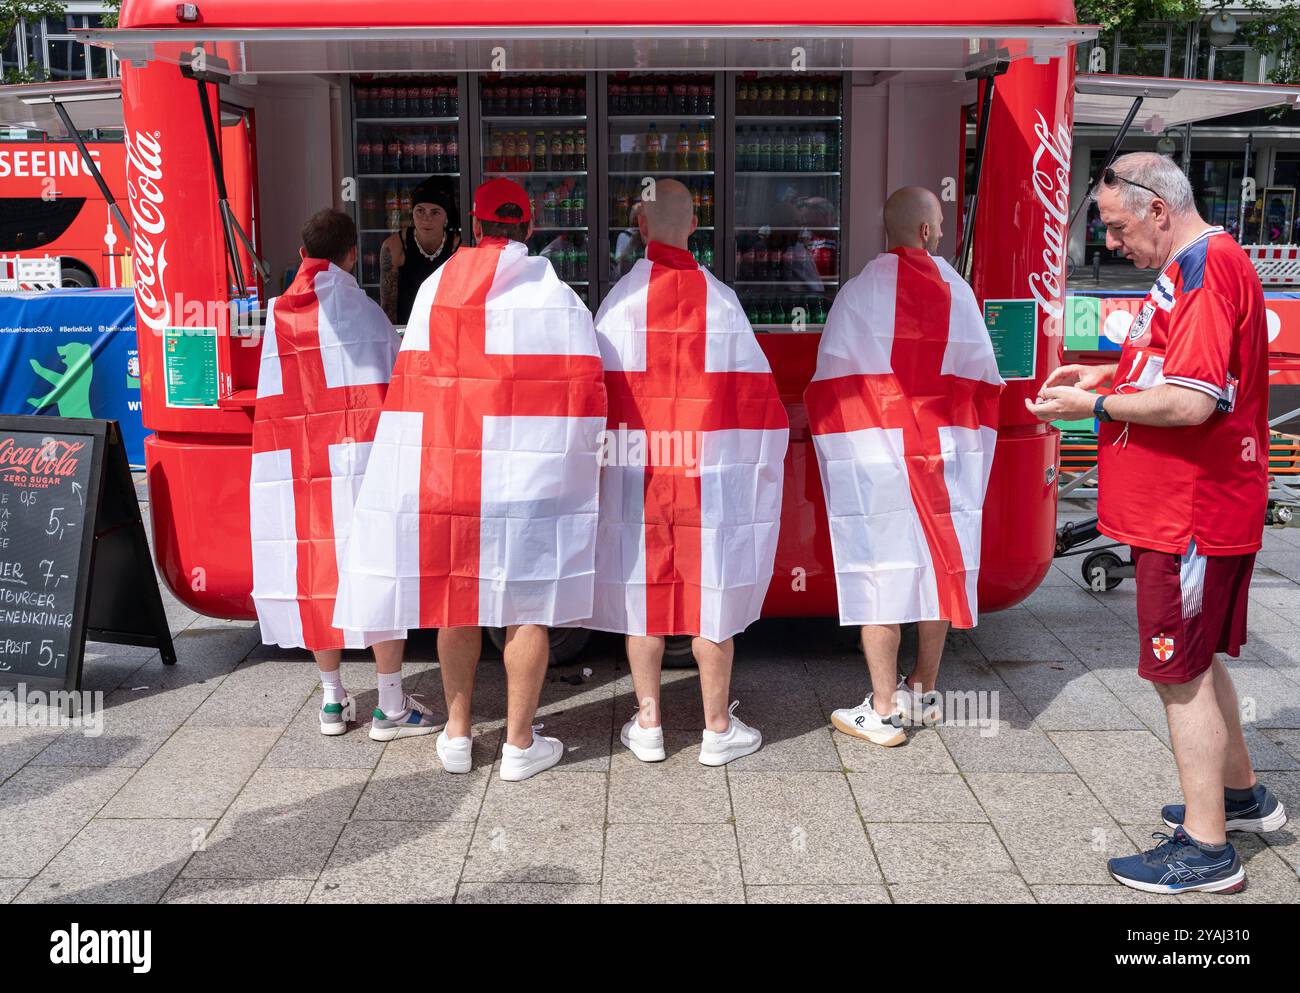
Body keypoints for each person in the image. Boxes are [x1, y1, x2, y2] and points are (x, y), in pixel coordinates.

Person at [1027, 151, 1286, 894]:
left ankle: (1207, 851)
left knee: (1178, 674)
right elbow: (1174, 361)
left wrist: (1094, 407)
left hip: (1189, 513)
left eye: (1114, 227)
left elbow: (1192, 401)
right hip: (1189, 508)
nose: (1110, 243)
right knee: (1197, 664)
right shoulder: (1199, 262)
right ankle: (1239, 797)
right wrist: (1106, 373)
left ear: (1158, 211)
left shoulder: (1205, 269)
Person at [334, 178, 606, 782]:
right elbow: (588, 386)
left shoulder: (435, 288)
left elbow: (414, 387)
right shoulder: (554, 294)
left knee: (457, 600)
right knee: (528, 606)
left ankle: (457, 735)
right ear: (529, 228)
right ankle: (518, 743)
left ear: (475, 226)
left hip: (451, 467)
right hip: (531, 477)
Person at [588, 178, 789, 765]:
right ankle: (717, 728)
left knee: (641, 594)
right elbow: (760, 404)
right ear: (694, 227)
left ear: (642, 228)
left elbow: (595, 395)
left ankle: (649, 724)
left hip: (638, 474)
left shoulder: (617, 303)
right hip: (708, 476)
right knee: (713, 590)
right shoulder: (722, 302)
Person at [804, 187, 1003, 746]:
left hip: (878, 456)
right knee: (939, 562)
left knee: (879, 568)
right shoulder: (958, 292)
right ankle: (923, 690)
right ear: (922, 231)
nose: (941, 233)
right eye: (938, 223)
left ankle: (885, 708)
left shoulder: (857, 293)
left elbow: (830, 385)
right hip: (944, 455)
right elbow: (985, 382)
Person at [250, 208, 437, 741]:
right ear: (352, 254)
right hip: (359, 461)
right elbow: (396, 383)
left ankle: (333, 701)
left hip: (300, 466)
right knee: (379, 567)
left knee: (314, 568)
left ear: (304, 247)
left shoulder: (279, 312)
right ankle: (391, 706)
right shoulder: (361, 310)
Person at [379, 175, 459, 326]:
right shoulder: (394, 247)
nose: (426, 219)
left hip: (446, 332)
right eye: (420, 211)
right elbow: (388, 309)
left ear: (446, 216)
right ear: (412, 213)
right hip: (406, 334)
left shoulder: (459, 248)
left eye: (435, 212)